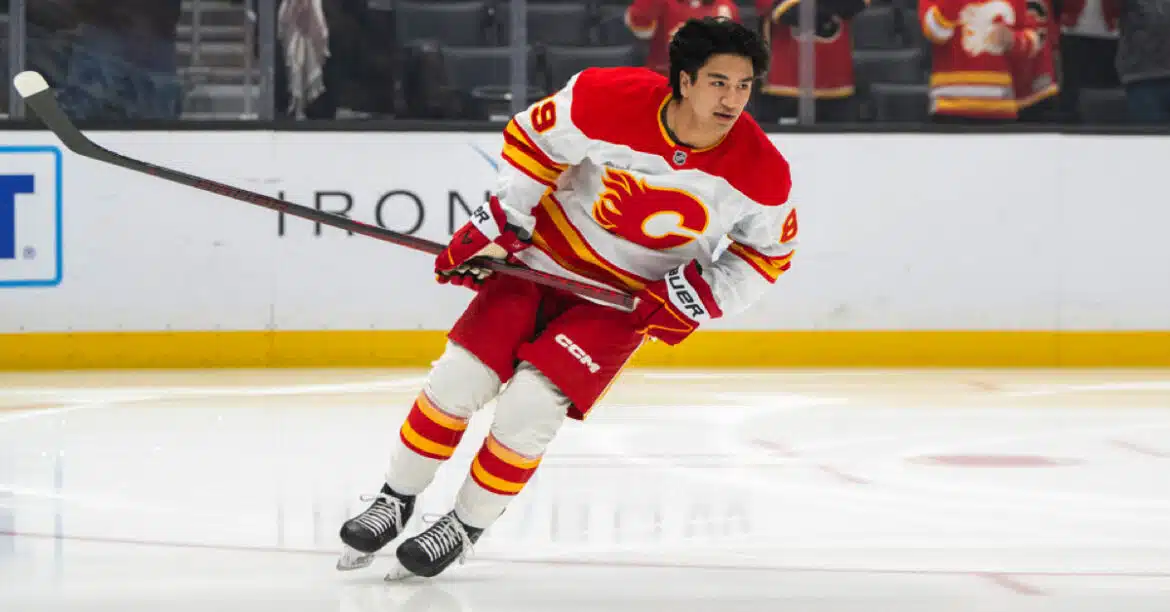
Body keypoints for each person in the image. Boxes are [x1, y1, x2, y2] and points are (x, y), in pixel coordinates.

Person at [335, 16, 798, 581]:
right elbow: (533, 139)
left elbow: (765, 256)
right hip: (540, 266)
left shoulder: (763, 173)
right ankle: (394, 497)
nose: (733, 99)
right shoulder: (607, 98)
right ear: (684, 80)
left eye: (744, 85)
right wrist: (508, 217)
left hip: (620, 303)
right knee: (459, 379)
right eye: (719, 82)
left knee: (529, 409)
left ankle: (464, 523)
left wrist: (700, 294)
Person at [920, 0, 1041, 123]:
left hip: (1000, 108)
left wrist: (1013, 40)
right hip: (949, 107)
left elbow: (1035, 43)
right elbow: (935, 33)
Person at [625, 0, 741, 75]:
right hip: (664, 80)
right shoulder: (664, 3)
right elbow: (641, 30)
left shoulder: (724, 7)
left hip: (706, 84)